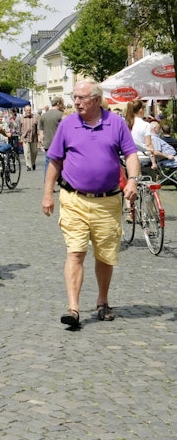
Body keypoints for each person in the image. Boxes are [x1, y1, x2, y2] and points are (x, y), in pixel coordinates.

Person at [42, 80, 139, 329]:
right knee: (75, 251)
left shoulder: (115, 123)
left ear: (96, 99)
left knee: (105, 255)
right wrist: (47, 194)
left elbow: (130, 154)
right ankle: (73, 308)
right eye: (75, 97)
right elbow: (55, 161)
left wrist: (133, 181)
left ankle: (102, 301)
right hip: (74, 199)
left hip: (107, 201)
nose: (76, 102)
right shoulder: (67, 124)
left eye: (82, 98)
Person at [38, 96, 64, 178]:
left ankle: (47, 182)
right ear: (58, 103)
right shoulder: (61, 115)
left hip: (47, 143)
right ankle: (59, 181)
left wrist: (41, 142)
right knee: (60, 163)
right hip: (59, 143)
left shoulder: (43, 115)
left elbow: (41, 131)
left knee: (48, 163)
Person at [19, 104, 40, 171]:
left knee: (34, 152)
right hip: (25, 138)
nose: (28, 111)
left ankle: (33, 163)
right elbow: (19, 128)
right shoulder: (21, 118)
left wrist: (39, 136)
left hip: (34, 138)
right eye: (27, 110)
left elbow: (38, 128)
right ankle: (28, 165)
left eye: (29, 110)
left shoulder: (35, 117)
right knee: (26, 152)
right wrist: (21, 137)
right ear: (25, 111)